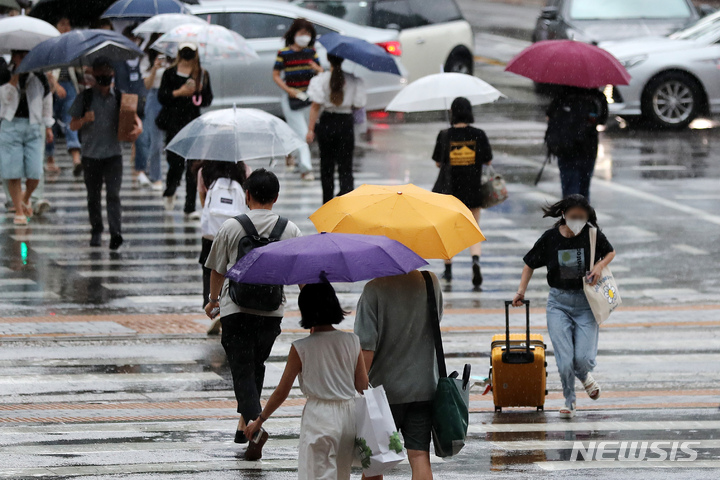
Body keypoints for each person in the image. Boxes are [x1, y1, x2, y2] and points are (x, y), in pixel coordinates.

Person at [204, 169, 302, 449]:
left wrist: (213, 300)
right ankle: (243, 428)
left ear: (246, 195)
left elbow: (216, 269)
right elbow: (300, 273)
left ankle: (254, 426)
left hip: (236, 309)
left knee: (243, 369)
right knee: (255, 364)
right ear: (276, 197)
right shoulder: (290, 230)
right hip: (271, 313)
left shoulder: (232, 226)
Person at [245, 283, 368, 471]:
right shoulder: (352, 341)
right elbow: (362, 385)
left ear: (306, 310)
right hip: (348, 416)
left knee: (315, 473)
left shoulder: (301, 348)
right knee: (340, 474)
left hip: (319, 417)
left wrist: (260, 420)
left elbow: (282, 391)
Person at [512, 194, 615, 419]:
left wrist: (599, 266)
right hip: (558, 304)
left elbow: (610, 252)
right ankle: (570, 401)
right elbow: (529, 264)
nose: (578, 220)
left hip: (586, 303)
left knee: (583, 359)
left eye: (582, 217)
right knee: (564, 359)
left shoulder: (591, 234)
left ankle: (585, 375)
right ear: (563, 215)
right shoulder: (550, 238)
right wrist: (521, 291)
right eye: (573, 216)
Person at [355, 270, 443, 480]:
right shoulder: (430, 282)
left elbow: (366, 347)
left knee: (375, 462)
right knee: (420, 456)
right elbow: (434, 321)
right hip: (423, 387)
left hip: (383, 393)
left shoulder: (374, 289)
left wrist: (359, 385)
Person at [70, 56, 142, 250]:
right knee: (93, 196)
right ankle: (96, 230)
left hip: (113, 155)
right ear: (94, 75)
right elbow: (72, 124)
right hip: (90, 156)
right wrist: (84, 119)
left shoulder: (120, 96)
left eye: (108, 74)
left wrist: (137, 129)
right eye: (101, 73)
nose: (105, 78)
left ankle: (115, 233)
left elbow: (135, 119)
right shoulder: (85, 98)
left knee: (113, 195)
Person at [432, 97, 492, 287]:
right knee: (474, 229)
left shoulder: (444, 135)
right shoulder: (479, 134)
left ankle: (448, 270)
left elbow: (437, 162)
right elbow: (488, 160)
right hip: (473, 189)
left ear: (452, 113)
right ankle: (475, 260)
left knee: (447, 230)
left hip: (450, 191)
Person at [158, 42, 213, 218]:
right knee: (175, 163)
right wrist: (179, 92)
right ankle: (171, 189)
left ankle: (190, 206)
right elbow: (162, 97)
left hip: (193, 124)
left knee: (194, 166)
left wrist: (198, 91)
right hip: (173, 123)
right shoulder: (169, 73)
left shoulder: (202, 74)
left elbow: (207, 100)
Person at [195, 159, 251, 334]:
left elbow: (203, 201)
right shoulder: (244, 170)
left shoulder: (204, 171)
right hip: (235, 231)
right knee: (233, 270)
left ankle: (213, 306)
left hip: (212, 233)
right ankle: (230, 309)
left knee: (209, 270)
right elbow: (247, 201)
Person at [0, 49, 54, 226]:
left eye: (26, 55)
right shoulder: (4, 72)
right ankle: (19, 210)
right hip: (10, 123)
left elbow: (47, 101)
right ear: (14, 56)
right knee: (13, 171)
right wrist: (13, 79)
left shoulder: (39, 75)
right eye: (20, 55)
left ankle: (26, 197)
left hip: (33, 125)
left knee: (35, 171)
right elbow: (4, 101)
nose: (23, 59)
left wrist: (48, 126)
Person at [307, 54, 366, 204]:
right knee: (345, 166)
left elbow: (315, 106)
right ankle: (346, 201)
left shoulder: (320, 80)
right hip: (346, 123)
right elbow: (359, 104)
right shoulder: (353, 80)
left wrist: (310, 129)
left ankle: (327, 202)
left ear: (328, 59)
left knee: (326, 166)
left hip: (327, 123)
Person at [273, 18, 321, 181]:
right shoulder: (284, 53)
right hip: (291, 99)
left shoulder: (311, 52)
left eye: (308, 33)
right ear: (294, 34)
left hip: (308, 99)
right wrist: (288, 90)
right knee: (302, 134)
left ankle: (291, 153)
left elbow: (320, 73)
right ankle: (306, 169)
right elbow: (276, 75)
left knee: (301, 133)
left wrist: (317, 69)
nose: (305, 37)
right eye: (302, 33)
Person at [545, 86, 608, 202]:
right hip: (588, 149)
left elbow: (550, 115)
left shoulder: (563, 95)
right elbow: (603, 119)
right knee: (584, 189)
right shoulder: (597, 97)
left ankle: (572, 217)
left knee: (570, 190)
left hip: (566, 148)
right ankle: (582, 217)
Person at [45, 16, 83, 177]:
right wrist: (54, 83)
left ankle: (76, 159)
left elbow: (76, 69)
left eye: (68, 24)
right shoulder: (50, 44)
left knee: (71, 120)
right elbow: (45, 68)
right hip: (53, 87)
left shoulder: (73, 44)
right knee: (50, 123)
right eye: (62, 24)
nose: (66, 27)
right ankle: (50, 158)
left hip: (70, 86)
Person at [116, 24, 150, 190]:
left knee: (142, 137)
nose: (133, 42)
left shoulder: (143, 58)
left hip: (140, 103)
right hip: (122, 103)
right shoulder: (118, 59)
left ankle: (140, 170)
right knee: (120, 137)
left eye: (136, 39)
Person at [138, 33, 167, 191]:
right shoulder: (146, 59)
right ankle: (156, 177)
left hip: (170, 96)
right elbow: (147, 85)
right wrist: (155, 68)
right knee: (155, 141)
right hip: (154, 95)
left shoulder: (173, 57)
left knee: (171, 139)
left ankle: (172, 176)